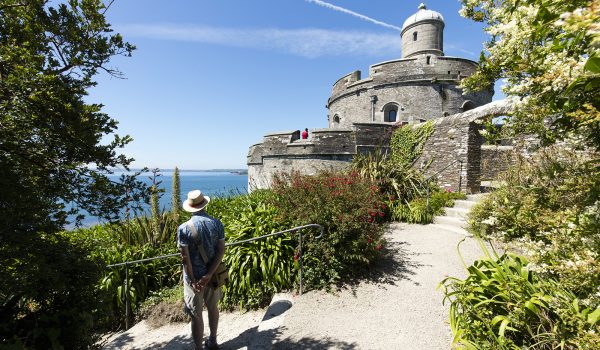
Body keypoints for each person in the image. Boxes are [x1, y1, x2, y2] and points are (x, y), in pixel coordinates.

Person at [178, 190, 225, 350]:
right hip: (212, 276)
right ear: (204, 204)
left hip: (193, 281)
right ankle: (212, 341)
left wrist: (193, 281)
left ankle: (199, 348)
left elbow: (185, 259)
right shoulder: (217, 223)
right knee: (213, 308)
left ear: (190, 207)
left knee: (196, 316)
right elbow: (221, 250)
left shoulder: (183, 229)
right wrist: (209, 274)